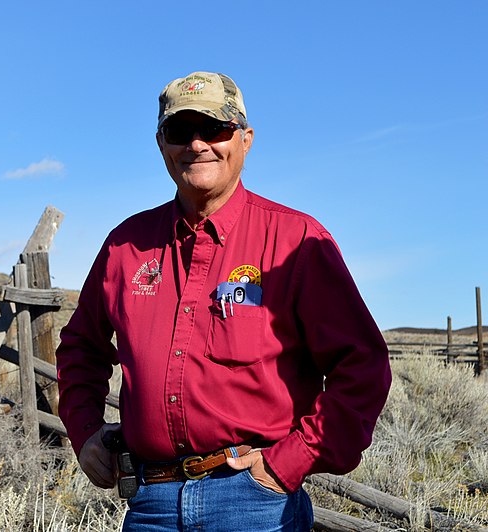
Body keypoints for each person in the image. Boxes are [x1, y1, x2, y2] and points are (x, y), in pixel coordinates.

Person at [56, 71, 392, 531]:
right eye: (179, 131)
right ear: (161, 144)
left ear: (245, 139)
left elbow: (363, 364)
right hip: (150, 502)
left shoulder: (296, 241)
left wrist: (287, 464)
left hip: (254, 503)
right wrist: (85, 431)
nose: (196, 144)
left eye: (213, 128)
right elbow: (80, 348)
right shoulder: (126, 246)